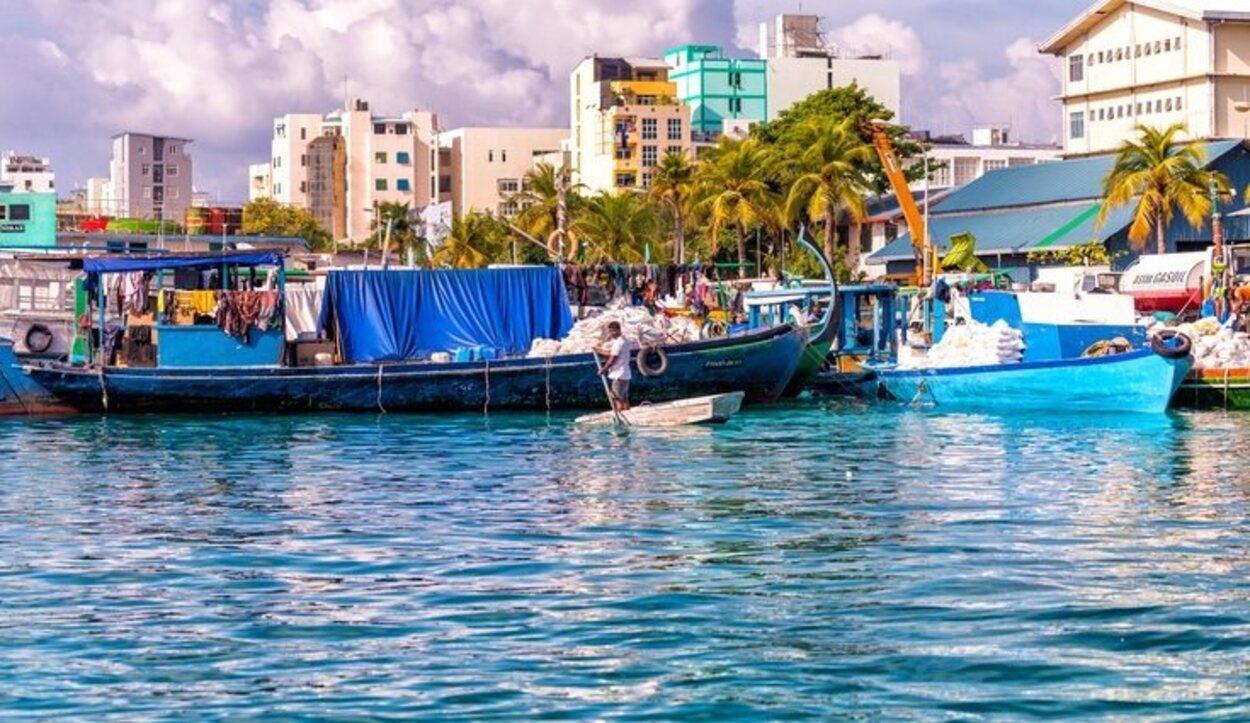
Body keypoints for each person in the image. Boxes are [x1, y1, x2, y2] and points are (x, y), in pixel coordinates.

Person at [596, 321, 632, 412]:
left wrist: (603, 370)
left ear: (618, 330)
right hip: (625, 374)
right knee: (624, 398)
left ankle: (619, 416)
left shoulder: (618, 343)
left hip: (618, 374)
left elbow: (612, 360)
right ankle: (627, 414)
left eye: (613, 331)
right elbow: (613, 354)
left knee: (617, 398)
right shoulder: (624, 341)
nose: (611, 333)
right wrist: (598, 351)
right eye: (610, 331)